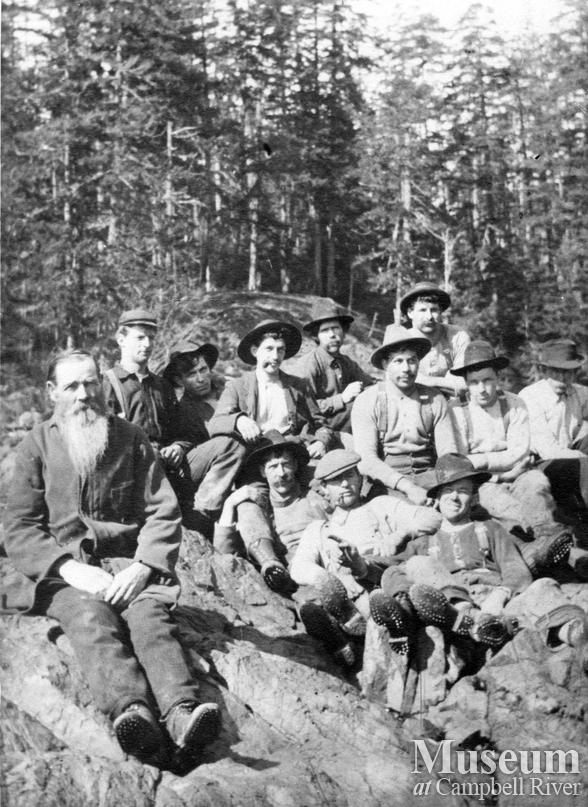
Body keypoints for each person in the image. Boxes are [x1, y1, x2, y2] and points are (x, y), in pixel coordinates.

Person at [2, 349, 221, 765]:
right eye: (72, 386)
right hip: (62, 568)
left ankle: (180, 713)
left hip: (126, 564)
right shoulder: (38, 443)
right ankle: (132, 712)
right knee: (90, 619)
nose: (84, 394)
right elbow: (20, 526)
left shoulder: (130, 437)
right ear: (52, 393)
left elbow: (162, 510)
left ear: (102, 384)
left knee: (150, 618)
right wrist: (68, 569)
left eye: (91, 383)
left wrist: (144, 566)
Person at [369, 454, 576, 657]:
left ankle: (578, 636)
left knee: (544, 586)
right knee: (416, 564)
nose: (454, 497)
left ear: (474, 498)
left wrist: (500, 595)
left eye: (462, 491)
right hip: (451, 608)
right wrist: (359, 563)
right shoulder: (424, 542)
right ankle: (473, 622)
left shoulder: (490, 528)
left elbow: (516, 570)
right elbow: (391, 565)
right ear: (437, 498)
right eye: (448, 491)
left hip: (494, 601)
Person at [290, 450, 442, 666]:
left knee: (384, 594)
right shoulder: (319, 529)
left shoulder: (380, 505)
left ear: (360, 478)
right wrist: (325, 578)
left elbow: (433, 518)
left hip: (382, 589)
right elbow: (298, 566)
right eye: (336, 480)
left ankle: (359, 630)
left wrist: (399, 535)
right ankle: (345, 634)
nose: (345, 484)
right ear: (324, 489)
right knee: (310, 604)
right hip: (346, 594)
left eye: (350, 475)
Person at [105, 311, 247, 534]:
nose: (148, 344)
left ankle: (204, 508)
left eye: (151, 338)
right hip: (133, 472)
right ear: (121, 339)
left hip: (171, 467)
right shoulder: (108, 384)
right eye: (140, 337)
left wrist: (178, 447)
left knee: (230, 445)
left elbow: (184, 432)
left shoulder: (162, 387)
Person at [448, 341, 567, 554]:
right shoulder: (457, 409)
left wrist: (479, 460)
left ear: (498, 378)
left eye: (487, 380)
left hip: (519, 472)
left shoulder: (515, 403)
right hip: (480, 482)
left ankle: (550, 538)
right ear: (466, 383)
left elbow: (518, 451)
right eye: (474, 382)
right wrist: (497, 474)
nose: (482, 389)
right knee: (501, 503)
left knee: (536, 483)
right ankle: (537, 549)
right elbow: (458, 461)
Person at [350, 324, 458, 505]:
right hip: (387, 481)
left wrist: (445, 488)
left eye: (412, 360)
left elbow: (448, 453)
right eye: (398, 361)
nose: (406, 368)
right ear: (385, 364)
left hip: (431, 477)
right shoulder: (367, 401)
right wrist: (408, 487)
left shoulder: (435, 399)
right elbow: (366, 460)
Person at [213, 431, 328, 592]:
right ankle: (271, 566)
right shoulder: (261, 509)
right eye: (273, 467)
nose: (281, 473)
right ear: (262, 471)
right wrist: (230, 503)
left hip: (325, 565)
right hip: (288, 580)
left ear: (295, 465)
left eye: (285, 464)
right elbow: (223, 553)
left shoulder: (313, 497)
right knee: (246, 506)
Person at [209, 319, 333, 457]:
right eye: (269, 349)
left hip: (292, 451)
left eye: (280, 350)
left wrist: (321, 441)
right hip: (253, 455)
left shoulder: (299, 386)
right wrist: (239, 420)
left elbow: (320, 423)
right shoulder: (237, 386)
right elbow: (216, 423)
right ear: (255, 351)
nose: (275, 356)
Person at [519, 339, 588, 523]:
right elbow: (548, 449)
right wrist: (583, 457)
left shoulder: (579, 393)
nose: (563, 378)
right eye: (556, 371)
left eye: (568, 372)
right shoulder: (531, 397)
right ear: (545, 371)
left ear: (575, 372)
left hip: (572, 458)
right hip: (543, 463)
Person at [296, 301, 374, 444]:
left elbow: (370, 383)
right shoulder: (309, 363)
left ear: (343, 332)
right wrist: (342, 398)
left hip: (341, 423)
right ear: (316, 336)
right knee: (357, 406)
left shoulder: (345, 362)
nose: (332, 335)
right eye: (325, 330)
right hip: (316, 429)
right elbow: (305, 408)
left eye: (336, 328)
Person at [399, 281, 470, 396]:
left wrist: (422, 381)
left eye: (434, 310)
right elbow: (398, 380)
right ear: (410, 313)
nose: (429, 316)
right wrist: (445, 383)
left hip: (452, 404)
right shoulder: (401, 339)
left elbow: (461, 384)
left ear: (441, 311)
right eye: (422, 310)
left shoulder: (457, 336)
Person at [162, 340, 224, 430]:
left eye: (203, 370)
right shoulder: (183, 415)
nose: (201, 379)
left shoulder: (228, 388)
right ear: (179, 380)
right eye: (191, 374)